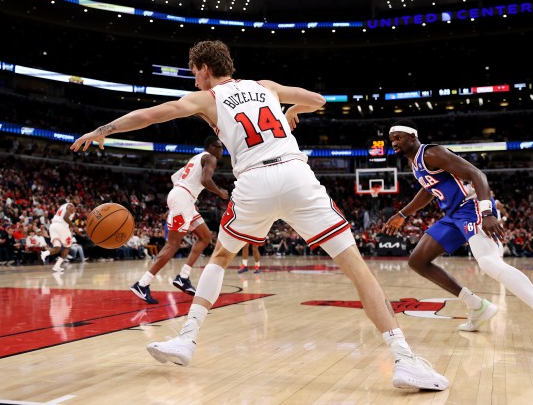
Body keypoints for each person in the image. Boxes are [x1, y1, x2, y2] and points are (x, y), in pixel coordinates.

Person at [70, 40, 448, 391]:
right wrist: (293, 110)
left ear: (204, 69)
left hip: (254, 181)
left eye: (194, 72)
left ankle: (186, 339)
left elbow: (155, 114)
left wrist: (105, 129)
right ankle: (403, 358)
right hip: (296, 174)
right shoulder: (265, 85)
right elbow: (318, 99)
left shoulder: (208, 97)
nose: (195, 79)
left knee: (219, 255)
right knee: (357, 270)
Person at [382, 119, 533, 356]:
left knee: (489, 263)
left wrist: (486, 211)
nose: (394, 142)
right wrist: (403, 214)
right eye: (392, 139)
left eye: (398, 138)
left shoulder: (432, 153)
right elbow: (429, 190)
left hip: (472, 207)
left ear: (412, 137)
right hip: (453, 214)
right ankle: (477, 306)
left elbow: (477, 174)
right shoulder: (413, 163)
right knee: (418, 261)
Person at [129, 136, 228, 303]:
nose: (222, 151)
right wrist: (220, 192)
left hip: (184, 199)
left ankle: (183, 277)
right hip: (183, 199)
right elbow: (205, 180)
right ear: (211, 147)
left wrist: (185, 195)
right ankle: (142, 284)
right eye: (219, 147)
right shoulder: (209, 158)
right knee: (173, 245)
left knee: (205, 236)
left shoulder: (196, 158)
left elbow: (175, 177)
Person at [40, 201, 78, 273]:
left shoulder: (63, 206)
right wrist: (73, 226)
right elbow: (65, 217)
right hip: (61, 227)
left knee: (57, 248)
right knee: (67, 247)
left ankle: (45, 254)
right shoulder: (71, 206)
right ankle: (57, 265)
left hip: (53, 226)